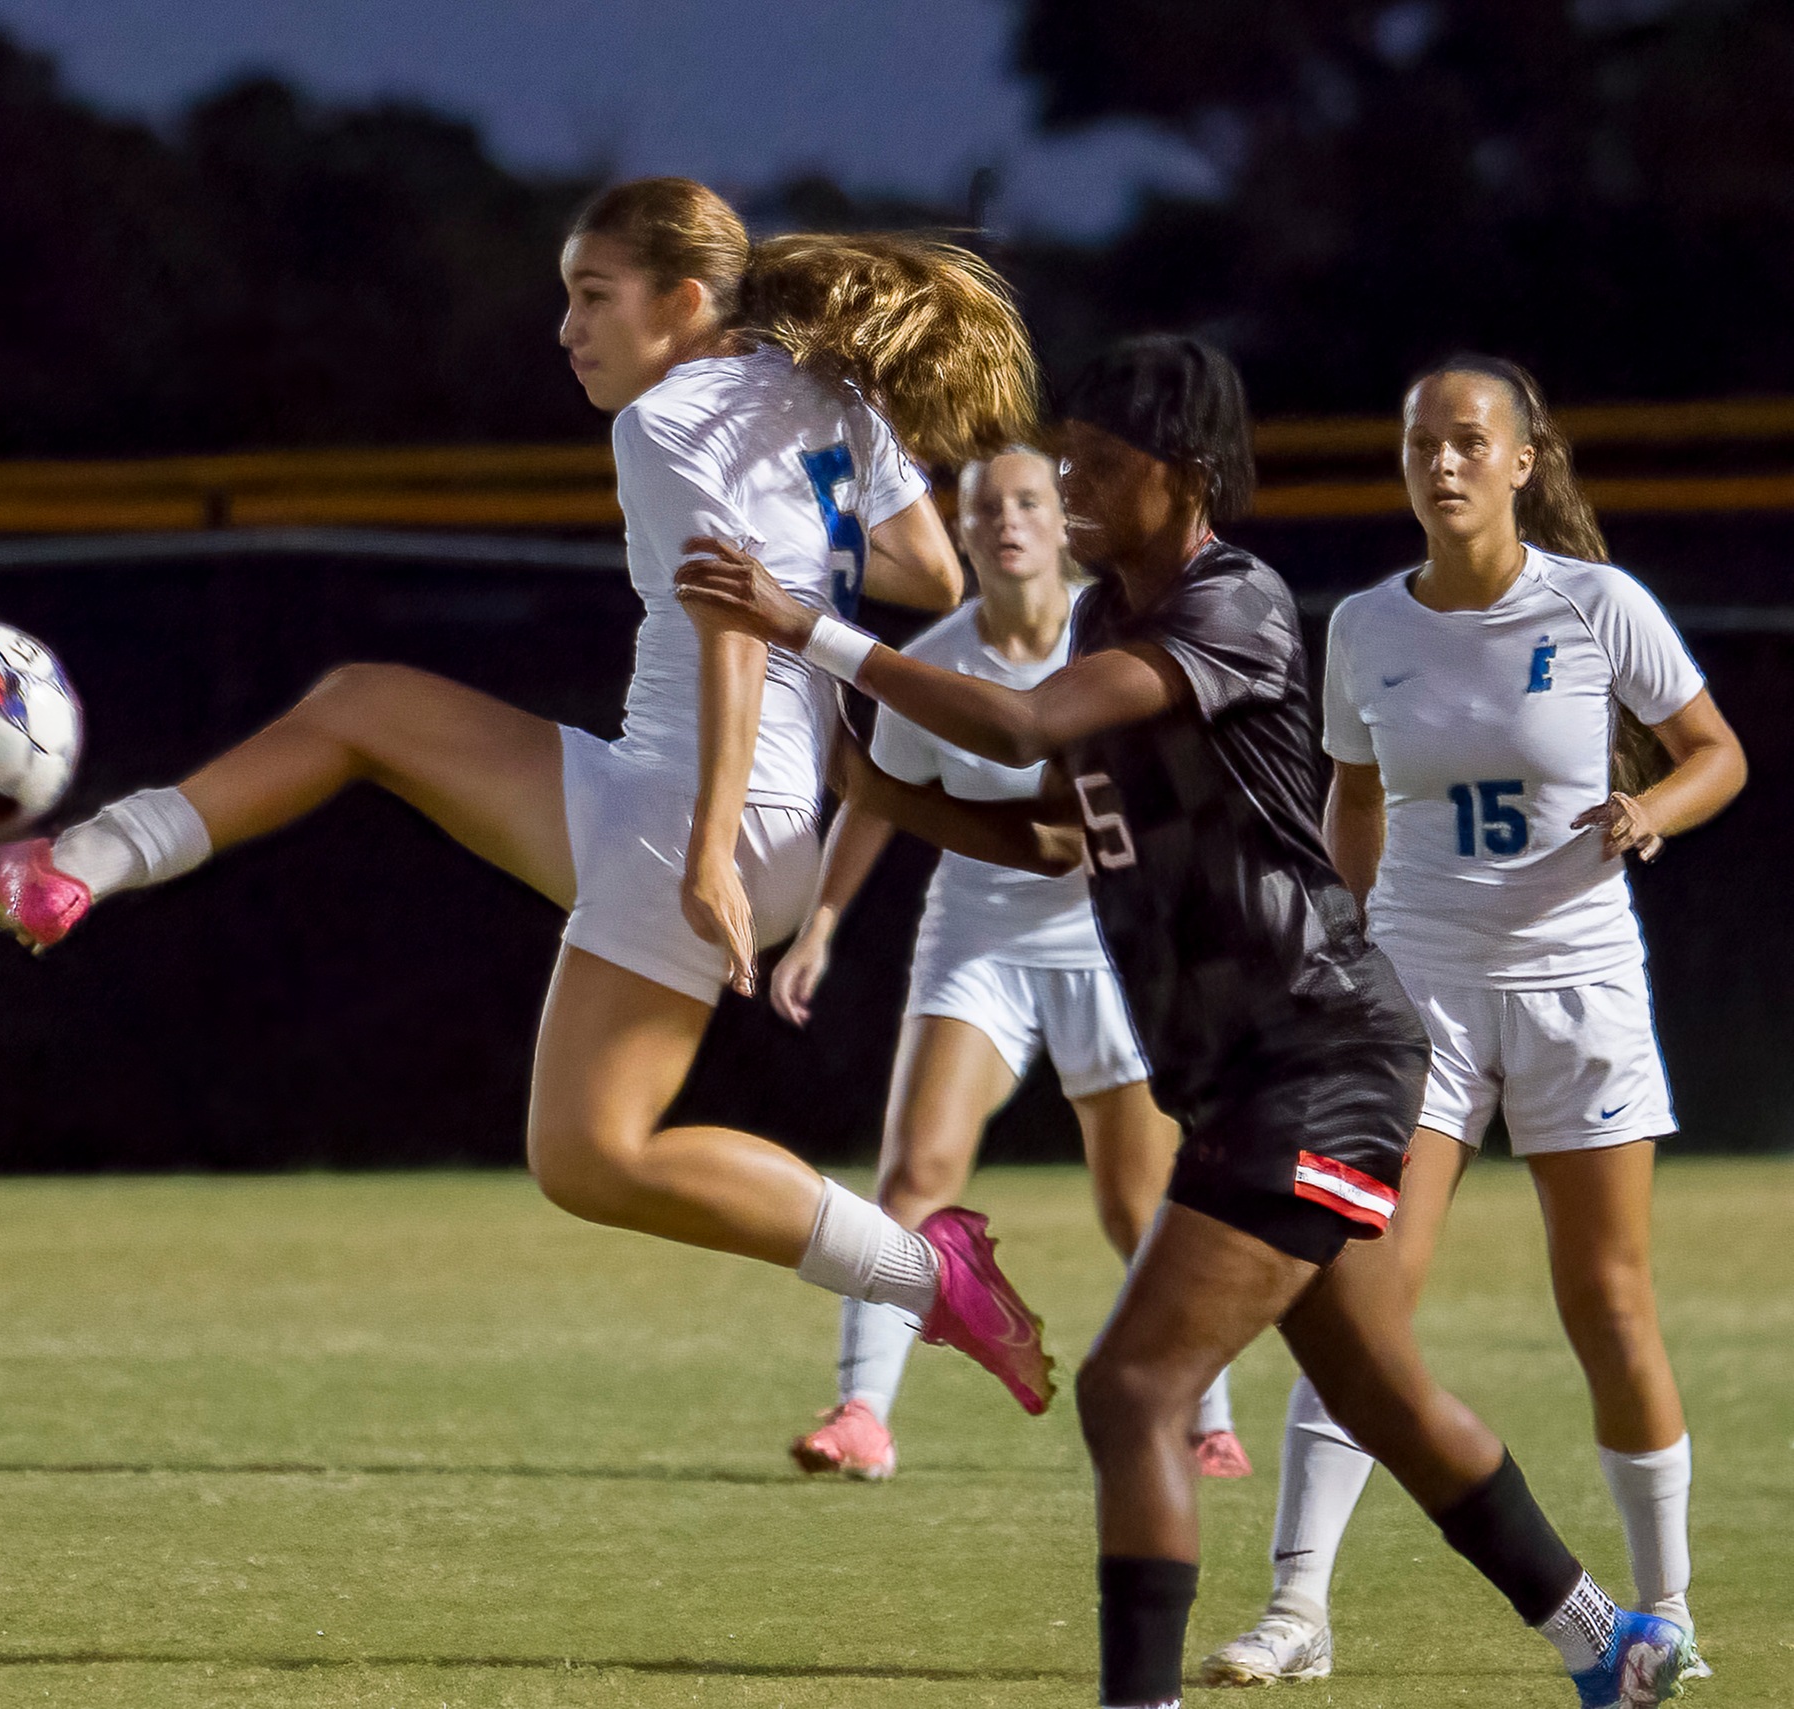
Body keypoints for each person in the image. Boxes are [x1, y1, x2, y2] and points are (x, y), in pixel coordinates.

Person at [676, 333, 1697, 1709]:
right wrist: (868, 784)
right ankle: (1610, 1644)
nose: (1072, 483)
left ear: (1191, 478)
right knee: (1382, 1394)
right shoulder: (1110, 623)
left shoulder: (1236, 604)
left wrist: (808, 629)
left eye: (1105, 465)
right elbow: (1057, 831)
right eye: (1070, 455)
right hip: (1242, 1077)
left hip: (1317, 1062)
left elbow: (1029, 726)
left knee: (1131, 1388)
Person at [0, 177, 1058, 1414]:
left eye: (594, 296)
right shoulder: (825, 393)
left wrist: (700, 852)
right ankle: (76, 865)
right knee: (363, 705)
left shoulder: (665, 422)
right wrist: (816, 566)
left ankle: (924, 1270)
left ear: (684, 301)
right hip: (698, 798)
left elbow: (734, 634)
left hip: (701, 814)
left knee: (590, 1156)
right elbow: (924, 566)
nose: (566, 328)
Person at [1199, 354, 1746, 1689]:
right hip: (1423, 995)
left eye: (1466, 443)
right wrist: (1336, 946)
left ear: (1519, 461)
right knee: (1356, 1294)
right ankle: (1299, 1611)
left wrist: (1646, 813)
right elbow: (1358, 800)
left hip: (1580, 990)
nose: (1440, 465)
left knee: (1608, 1302)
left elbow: (1714, 754)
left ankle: (1663, 1614)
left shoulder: (1600, 605)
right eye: (1419, 444)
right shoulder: (1369, 626)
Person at [774, 445, 1245, 1482]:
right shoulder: (931, 665)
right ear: (962, 527)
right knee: (914, 1173)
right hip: (978, 937)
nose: (1007, 521)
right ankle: (862, 1409)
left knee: (1136, 1205)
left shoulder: (1122, 643)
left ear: (1065, 517)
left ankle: (1205, 1416)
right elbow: (875, 792)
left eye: (1030, 499)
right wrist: (818, 926)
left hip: (1114, 941)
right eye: (984, 506)